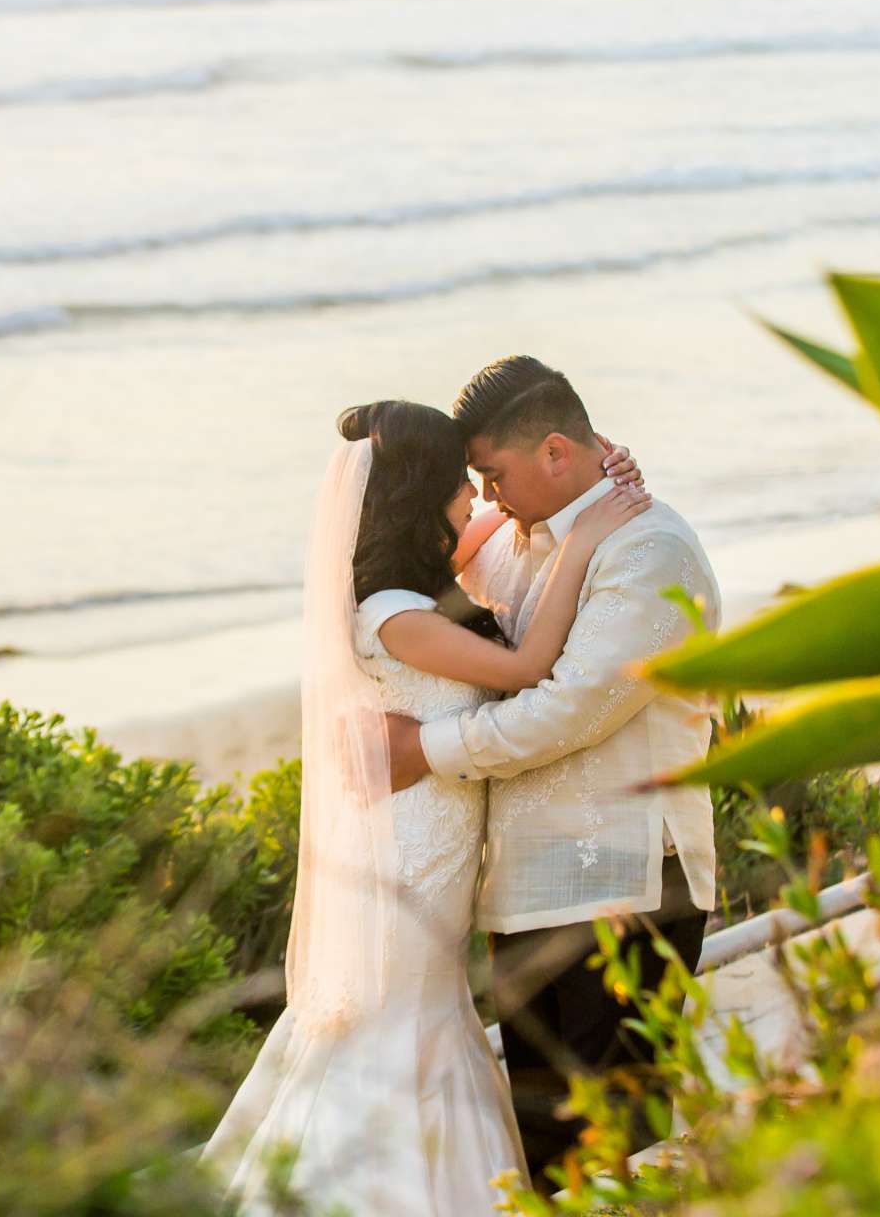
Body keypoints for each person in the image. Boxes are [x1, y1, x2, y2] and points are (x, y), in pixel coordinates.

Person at [203, 401, 649, 1217]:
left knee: (427, 1011)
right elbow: (526, 668)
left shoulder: (414, 585)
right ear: (422, 497)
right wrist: (586, 541)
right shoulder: (397, 616)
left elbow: (506, 521)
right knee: (397, 1020)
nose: (477, 500)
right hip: (412, 851)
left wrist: (600, 473)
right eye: (461, 486)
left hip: (438, 844)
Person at [382, 355, 721, 1191]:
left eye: (494, 476)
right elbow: (436, 566)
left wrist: (427, 751)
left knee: (624, 1153)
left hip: (630, 885)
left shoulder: (650, 550)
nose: (488, 496)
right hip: (531, 892)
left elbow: (573, 707)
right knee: (551, 1159)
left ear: (558, 453)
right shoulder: (521, 541)